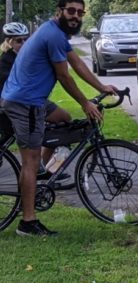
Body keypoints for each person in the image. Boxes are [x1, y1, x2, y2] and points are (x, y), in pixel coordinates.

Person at [0, 0, 117, 237]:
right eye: (71, 11)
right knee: (29, 162)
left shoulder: (56, 34)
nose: (76, 16)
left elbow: (77, 63)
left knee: (63, 120)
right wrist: (85, 103)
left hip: (33, 99)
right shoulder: (52, 35)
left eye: (80, 13)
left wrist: (101, 86)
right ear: (59, 11)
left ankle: (40, 174)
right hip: (26, 102)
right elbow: (64, 75)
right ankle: (28, 222)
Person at [0, 22, 74, 177]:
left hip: (36, 100)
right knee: (33, 140)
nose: (24, 43)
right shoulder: (6, 62)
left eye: (26, 39)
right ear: (9, 42)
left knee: (64, 119)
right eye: (19, 40)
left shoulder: (28, 56)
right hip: (20, 104)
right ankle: (37, 169)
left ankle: (46, 167)